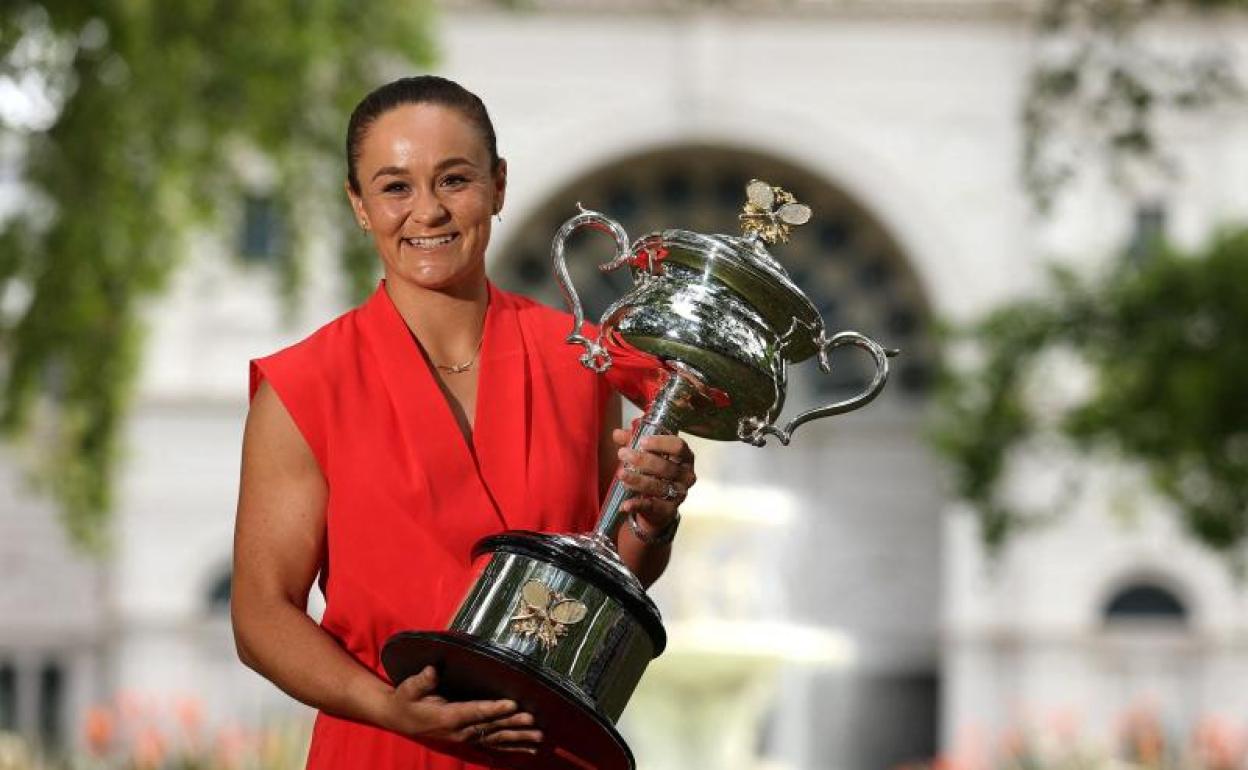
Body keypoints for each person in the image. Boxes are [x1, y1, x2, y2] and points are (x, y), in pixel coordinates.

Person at [230, 75, 697, 769]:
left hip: (550, 748)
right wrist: (385, 706)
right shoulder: (306, 386)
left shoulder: (582, 360)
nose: (427, 212)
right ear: (358, 205)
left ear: (498, 185)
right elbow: (262, 614)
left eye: (454, 180)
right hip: (384, 744)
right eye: (394, 187)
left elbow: (611, 578)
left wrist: (654, 519)